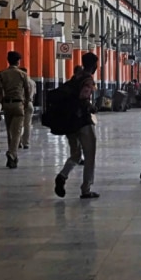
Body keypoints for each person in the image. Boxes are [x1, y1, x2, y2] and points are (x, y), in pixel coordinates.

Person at [54, 52, 100, 199]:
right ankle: (86, 188)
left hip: (69, 120)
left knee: (75, 154)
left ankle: (62, 175)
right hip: (83, 121)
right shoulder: (88, 79)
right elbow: (83, 97)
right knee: (89, 153)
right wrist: (91, 107)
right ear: (94, 65)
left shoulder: (75, 77)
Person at [0, 51, 31, 169]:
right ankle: (11, 154)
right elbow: (27, 90)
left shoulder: (2, 74)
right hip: (18, 104)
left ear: (8, 60)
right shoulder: (22, 74)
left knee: (9, 132)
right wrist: (26, 103)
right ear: (18, 61)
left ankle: (13, 158)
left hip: (6, 105)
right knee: (16, 132)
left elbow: (0, 93)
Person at [19, 67, 37, 149]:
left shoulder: (21, 82)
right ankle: (26, 143)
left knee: (19, 124)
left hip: (22, 104)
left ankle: (18, 142)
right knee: (27, 124)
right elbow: (34, 93)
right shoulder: (32, 82)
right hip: (30, 103)